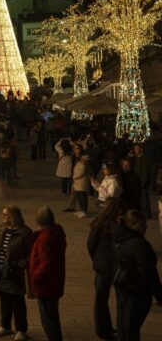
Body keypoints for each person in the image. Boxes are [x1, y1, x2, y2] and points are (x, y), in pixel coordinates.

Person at [112, 210, 162, 341]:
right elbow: (148, 272)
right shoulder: (139, 244)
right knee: (131, 329)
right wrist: (159, 294)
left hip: (123, 285)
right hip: (136, 289)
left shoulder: (120, 237)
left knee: (124, 326)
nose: (146, 227)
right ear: (132, 225)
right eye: (142, 225)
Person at [0, 205, 32, 340]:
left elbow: (31, 253)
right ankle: (5, 326)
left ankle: (21, 330)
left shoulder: (25, 233)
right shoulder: (2, 228)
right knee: (4, 299)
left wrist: (21, 264)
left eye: (5, 214)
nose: (2, 217)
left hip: (14, 272)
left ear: (13, 216)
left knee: (17, 302)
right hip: (0, 271)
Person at [87, 198, 127, 340]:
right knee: (121, 299)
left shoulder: (99, 223)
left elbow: (91, 244)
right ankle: (122, 331)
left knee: (101, 299)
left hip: (103, 266)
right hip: (118, 267)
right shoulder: (122, 225)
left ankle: (103, 329)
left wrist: (97, 259)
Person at [28, 207, 67, 341]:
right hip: (53, 282)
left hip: (45, 285)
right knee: (52, 315)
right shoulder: (55, 232)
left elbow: (46, 263)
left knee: (48, 318)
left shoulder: (45, 238)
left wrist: (34, 277)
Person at [131, 144, 154, 219]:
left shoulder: (144, 159)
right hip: (137, 182)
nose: (135, 150)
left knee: (144, 198)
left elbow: (145, 172)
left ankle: (146, 214)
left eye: (137, 149)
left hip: (142, 182)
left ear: (141, 150)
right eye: (135, 149)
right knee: (139, 198)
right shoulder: (135, 159)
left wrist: (143, 182)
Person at [72, 146, 91, 218]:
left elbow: (80, 173)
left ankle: (84, 211)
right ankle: (82, 210)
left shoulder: (83, 165)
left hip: (81, 183)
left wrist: (74, 177)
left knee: (82, 197)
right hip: (78, 183)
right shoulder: (79, 162)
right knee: (80, 197)